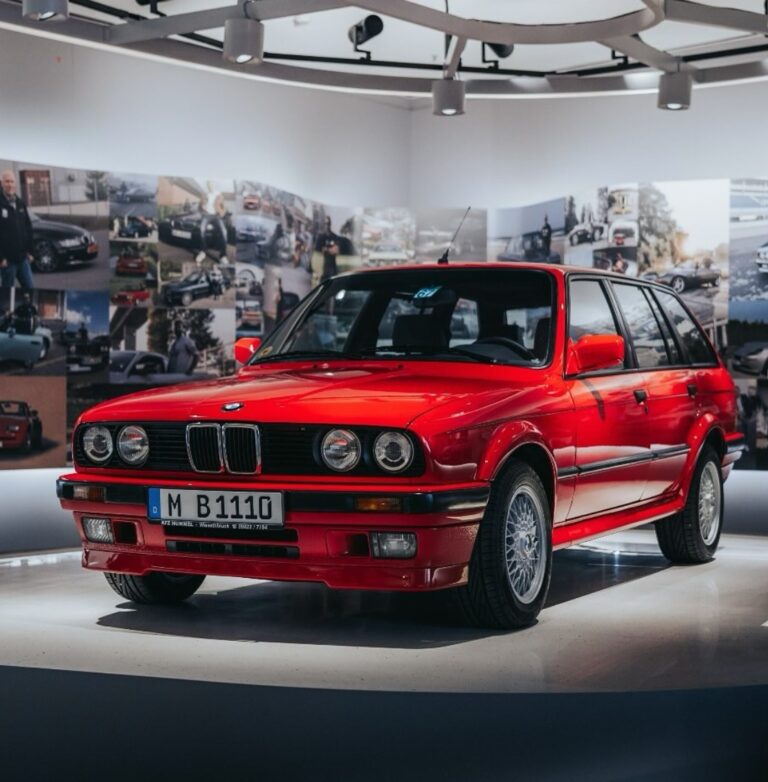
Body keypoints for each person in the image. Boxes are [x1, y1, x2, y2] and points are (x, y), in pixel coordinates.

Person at [0, 170, 35, 290]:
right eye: (7, 181)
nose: (10, 184)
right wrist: (1, 257)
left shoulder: (20, 203)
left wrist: (30, 251)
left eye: (12, 181)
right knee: (7, 292)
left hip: (23, 258)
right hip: (7, 261)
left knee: (30, 287)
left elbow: (28, 228)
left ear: (15, 184)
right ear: (2, 183)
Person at [196, 181, 229, 267]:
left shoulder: (219, 195)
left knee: (224, 232)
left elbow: (224, 207)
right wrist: (202, 210)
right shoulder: (204, 194)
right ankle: (203, 252)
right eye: (209, 185)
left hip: (216, 216)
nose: (210, 187)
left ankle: (223, 256)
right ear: (207, 186)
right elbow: (199, 206)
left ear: (214, 185)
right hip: (207, 215)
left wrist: (221, 214)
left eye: (212, 185)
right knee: (201, 229)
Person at [315, 216, 340, 281]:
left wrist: (326, 249)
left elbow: (336, 251)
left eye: (328, 223)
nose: (327, 225)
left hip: (332, 266)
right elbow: (319, 251)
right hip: (323, 266)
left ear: (330, 224)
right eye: (325, 224)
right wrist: (330, 250)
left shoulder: (334, 236)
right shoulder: (321, 237)